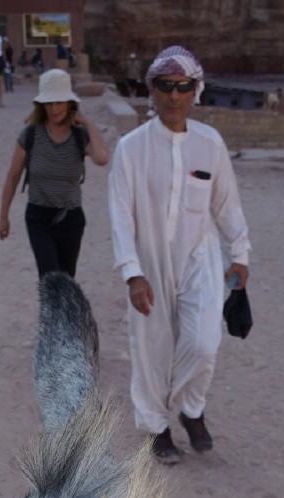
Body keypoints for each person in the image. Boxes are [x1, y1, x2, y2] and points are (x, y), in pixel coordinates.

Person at [108, 45, 251, 464]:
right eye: (166, 86)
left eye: (183, 86)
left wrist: (240, 253)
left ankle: (190, 409)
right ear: (151, 90)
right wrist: (132, 272)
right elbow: (119, 214)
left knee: (204, 344)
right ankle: (157, 427)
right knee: (152, 349)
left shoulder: (210, 143)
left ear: (195, 91)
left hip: (199, 261)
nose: (174, 95)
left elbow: (226, 204)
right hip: (149, 264)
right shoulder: (131, 148)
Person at [0, 69, 109, 278]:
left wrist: (87, 122)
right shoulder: (30, 134)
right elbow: (13, 177)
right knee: (50, 278)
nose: (54, 108)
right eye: (49, 103)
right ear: (41, 105)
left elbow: (102, 159)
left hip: (71, 218)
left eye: (59, 101)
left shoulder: (79, 136)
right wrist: (3, 217)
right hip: (39, 217)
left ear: (69, 103)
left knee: (65, 282)